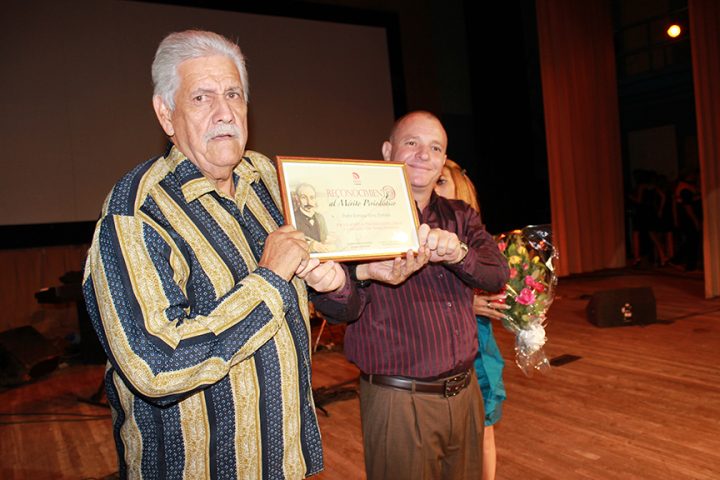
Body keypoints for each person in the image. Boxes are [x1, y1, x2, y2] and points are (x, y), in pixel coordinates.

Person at [82, 30, 345, 479]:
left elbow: (333, 296)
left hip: (286, 464)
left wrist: (338, 282)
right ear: (166, 114)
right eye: (202, 97)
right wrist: (269, 281)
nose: (224, 113)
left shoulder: (269, 178)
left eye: (233, 94)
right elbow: (153, 365)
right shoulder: (135, 214)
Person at [312, 111, 510, 480]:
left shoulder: (461, 216)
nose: (423, 154)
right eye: (412, 143)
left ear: (443, 161)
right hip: (398, 400)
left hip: (465, 394)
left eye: (435, 147)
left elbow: (497, 274)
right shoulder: (356, 217)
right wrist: (358, 276)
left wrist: (459, 254)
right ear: (388, 151)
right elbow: (339, 310)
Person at [436, 159, 509, 480]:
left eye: (440, 182)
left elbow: (497, 283)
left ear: (459, 192)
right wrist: (471, 302)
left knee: (484, 430)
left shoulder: (479, 242)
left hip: (476, 348)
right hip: (432, 351)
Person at [293, 183, 329, 251]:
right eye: (304, 197)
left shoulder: (320, 218)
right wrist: (310, 246)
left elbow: (325, 238)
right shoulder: (293, 219)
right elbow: (293, 244)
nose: (308, 202)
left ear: (315, 199)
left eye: (312, 197)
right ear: (297, 199)